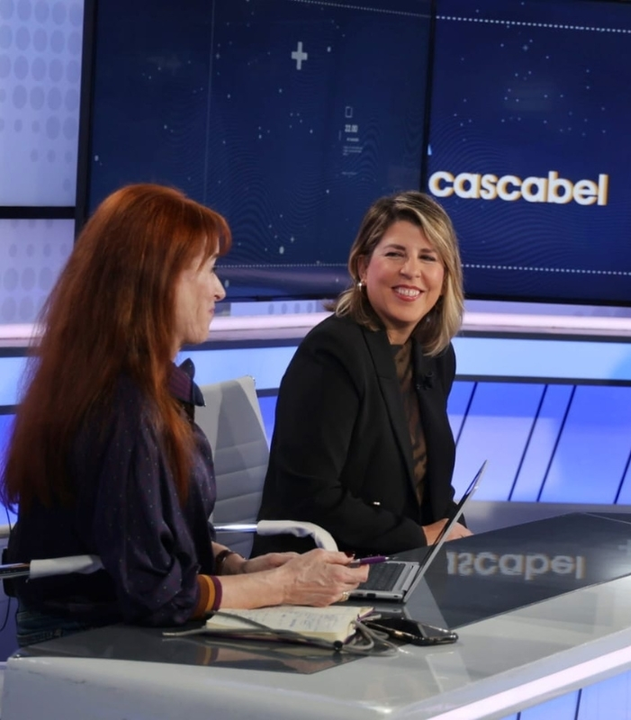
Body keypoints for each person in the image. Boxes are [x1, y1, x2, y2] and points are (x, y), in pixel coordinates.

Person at [1, 184, 368, 646]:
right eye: (207, 269)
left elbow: (148, 540)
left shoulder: (135, 388)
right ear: (153, 280)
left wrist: (236, 567)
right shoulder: (122, 409)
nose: (219, 290)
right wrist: (282, 586)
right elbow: (159, 595)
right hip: (90, 639)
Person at [253, 191, 470, 558]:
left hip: (402, 559)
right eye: (395, 254)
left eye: (428, 257)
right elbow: (309, 496)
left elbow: (427, 484)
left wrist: (458, 534)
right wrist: (418, 537)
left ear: (445, 275)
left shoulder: (434, 354)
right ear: (362, 266)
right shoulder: (332, 352)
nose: (411, 270)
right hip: (325, 565)